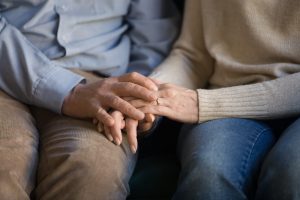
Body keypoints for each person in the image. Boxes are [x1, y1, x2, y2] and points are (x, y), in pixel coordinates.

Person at [110, 0, 300, 199]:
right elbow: (193, 56)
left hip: (223, 101)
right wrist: (145, 96)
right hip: (225, 98)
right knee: (208, 171)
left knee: (291, 172)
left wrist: (200, 103)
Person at [0, 0, 179, 199]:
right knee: (6, 161)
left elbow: (154, 41)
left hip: (102, 83)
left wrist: (136, 99)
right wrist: (69, 92)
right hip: (3, 72)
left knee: (94, 167)